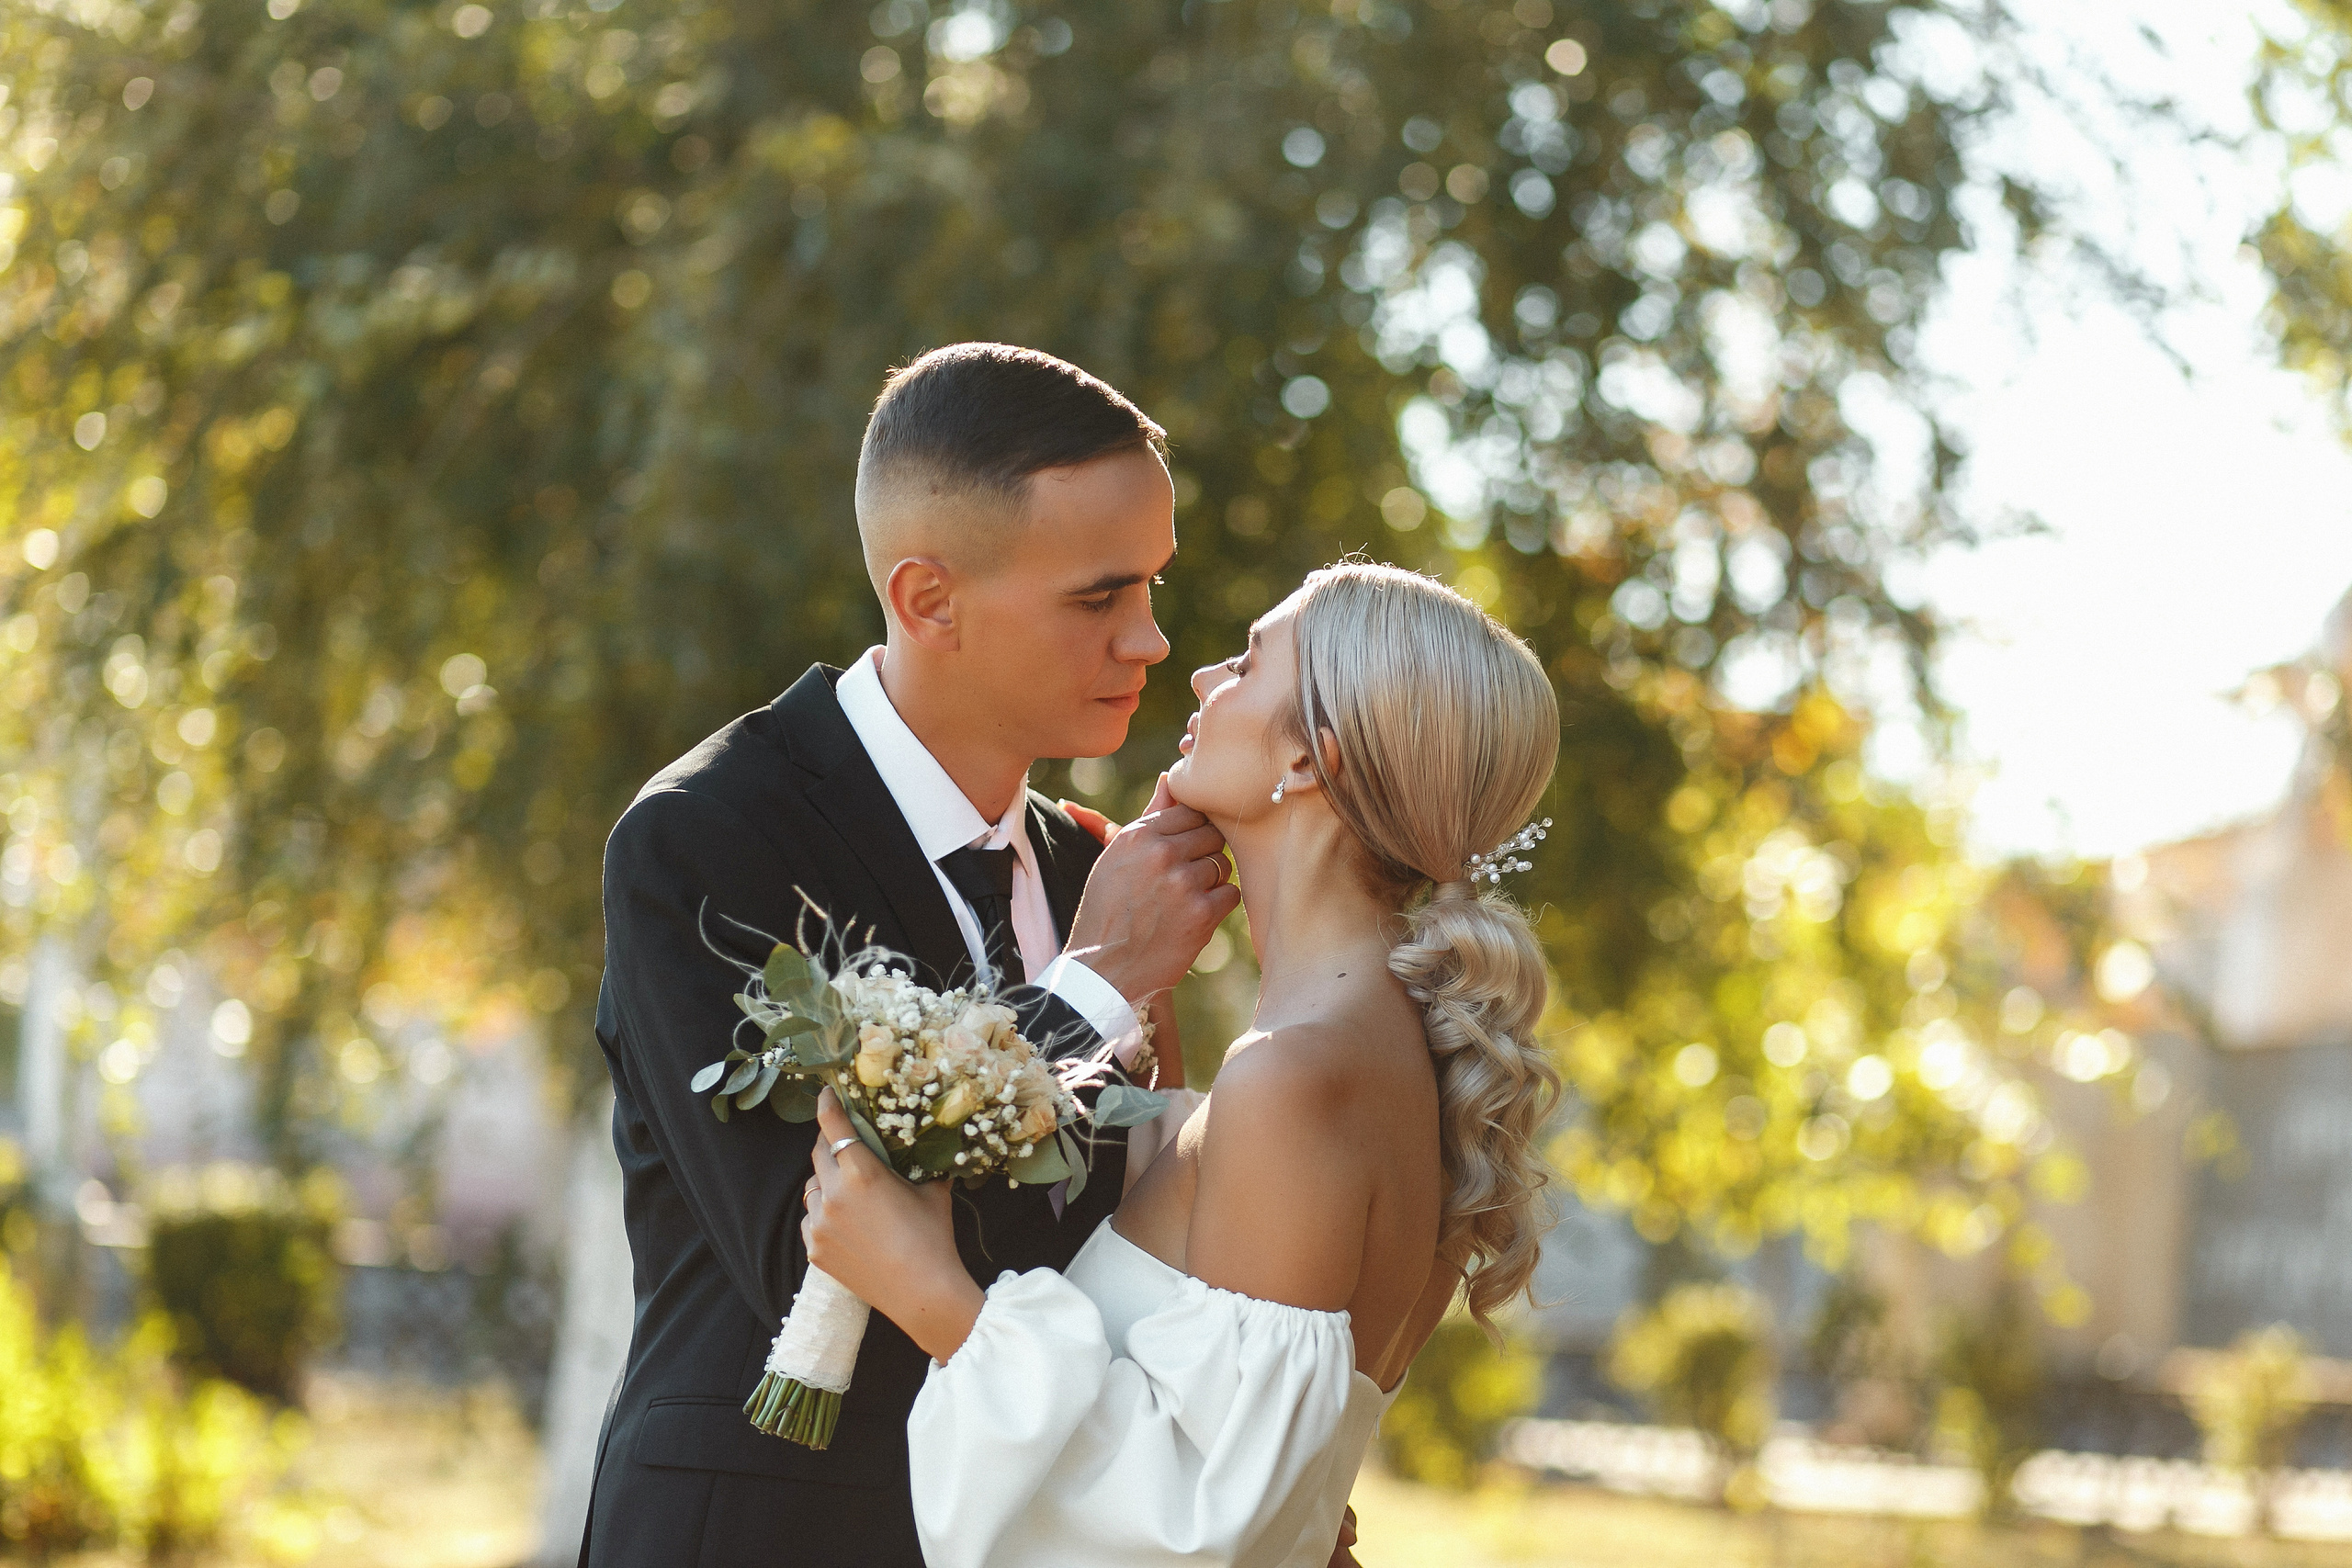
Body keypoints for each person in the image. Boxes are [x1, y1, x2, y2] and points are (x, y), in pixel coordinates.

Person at [582, 344, 1238, 1567]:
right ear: (929, 598)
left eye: (1153, 584)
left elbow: (1121, 1259)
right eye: (1100, 598)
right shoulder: (705, 838)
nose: (1150, 639)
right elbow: (809, 1253)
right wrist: (1092, 988)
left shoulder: (1094, 871)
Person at [802, 560, 1565, 1568]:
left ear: (1311, 758)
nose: (1203, 675)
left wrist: (931, 1295)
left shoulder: (1295, 1076)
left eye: (1247, 663)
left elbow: (1191, 1526)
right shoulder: (1384, 1054)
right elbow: (1273, 1500)